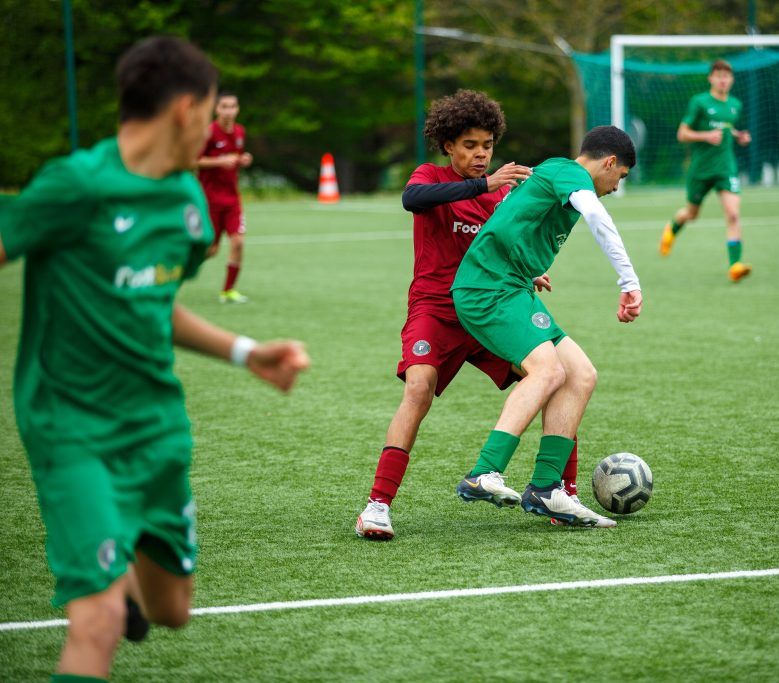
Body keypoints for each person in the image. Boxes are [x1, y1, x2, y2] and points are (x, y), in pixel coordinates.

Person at [0, 37, 310, 683]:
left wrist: (246, 351)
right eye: (210, 110)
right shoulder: (74, 185)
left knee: (171, 609)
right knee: (97, 622)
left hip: (156, 428)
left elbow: (150, 304)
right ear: (186, 109)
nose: (215, 124)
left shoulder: (189, 208)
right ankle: (111, 592)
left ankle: (131, 587)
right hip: (71, 426)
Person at [355, 90, 579, 540]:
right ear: (449, 146)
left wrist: (531, 272)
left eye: (488, 146)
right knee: (419, 388)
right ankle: (377, 506)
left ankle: (562, 494)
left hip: (487, 311)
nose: (481, 154)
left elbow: (501, 249)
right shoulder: (433, 177)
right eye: (471, 146)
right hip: (435, 311)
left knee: (556, 377)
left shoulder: (500, 200)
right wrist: (486, 183)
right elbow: (413, 199)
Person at [451, 125, 642, 527]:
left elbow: (515, 215)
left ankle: (546, 489)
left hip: (514, 286)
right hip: (489, 288)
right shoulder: (572, 175)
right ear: (608, 162)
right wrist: (629, 282)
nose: (615, 187)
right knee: (548, 370)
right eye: (619, 177)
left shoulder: (553, 172)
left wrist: (526, 265)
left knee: (581, 374)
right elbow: (595, 215)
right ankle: (483, 472)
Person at [658, 59, 753, 283]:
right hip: (700, 170)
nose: (723, 80)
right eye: (718, 76)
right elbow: (682, 134)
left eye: (727, 76)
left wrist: (739, 136)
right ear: (711, 78)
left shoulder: (735, 105)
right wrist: (705, 136)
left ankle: (735, 266)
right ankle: (671, 229)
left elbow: (726, 127)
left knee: (733, 214)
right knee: (691, 214)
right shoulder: (699, 102)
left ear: (732, 80)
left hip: (726, 168)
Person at [197, 90, 253, 303]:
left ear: (238, 109)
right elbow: (193, 161)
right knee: (211, 249)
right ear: (216, 109)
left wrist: (243, 160)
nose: (229, 111)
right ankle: (175, 276)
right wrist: (219, 161)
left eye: (233, 107)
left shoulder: (240, 132)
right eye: (225, 107)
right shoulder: (208, 132)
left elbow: (234, 158)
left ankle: (228, 290)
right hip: (210, 199)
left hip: (232, 199)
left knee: (238, 242)